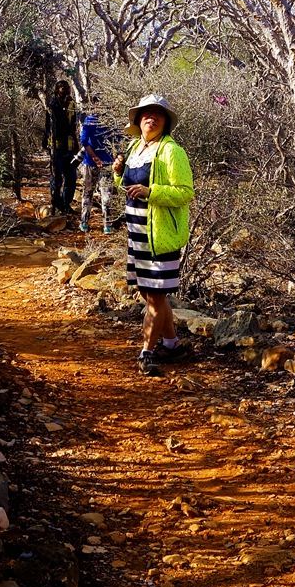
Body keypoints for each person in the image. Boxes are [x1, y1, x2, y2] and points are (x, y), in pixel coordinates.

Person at [113, 93, 194, 376]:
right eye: (146, 113)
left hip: (160, 236)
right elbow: (128, 186)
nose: (152, 117)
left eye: (158, 114)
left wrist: (152, 193)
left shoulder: (172, 151)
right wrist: (118, 173)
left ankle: (146, 353)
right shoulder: (136, 147)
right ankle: (172, 344)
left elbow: (185, 193)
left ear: (165, 122)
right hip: (137, 234)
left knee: (156, 298)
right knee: (151, 294)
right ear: (137, 119)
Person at [43, 79, 80, 214]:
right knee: (56, 177)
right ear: (58, 90)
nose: (67, 90)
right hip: (56, 146)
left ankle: (66, 204)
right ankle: (56, 205)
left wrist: (75, 142)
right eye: (63, 88)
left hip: (69, 146)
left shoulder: (71, 104)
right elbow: (51, 126)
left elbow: (72, 125)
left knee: (71, 177)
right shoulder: (52, 105)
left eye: (68, 88)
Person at [77, 112, 117, 233]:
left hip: (91, 162)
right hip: (106, 162)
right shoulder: (112, 121)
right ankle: (107, 225)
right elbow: (118, 141)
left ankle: (84, 223)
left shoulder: (89, 120)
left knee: (88, 192)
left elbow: (83, 140)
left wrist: (93, 156)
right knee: (106, 195)